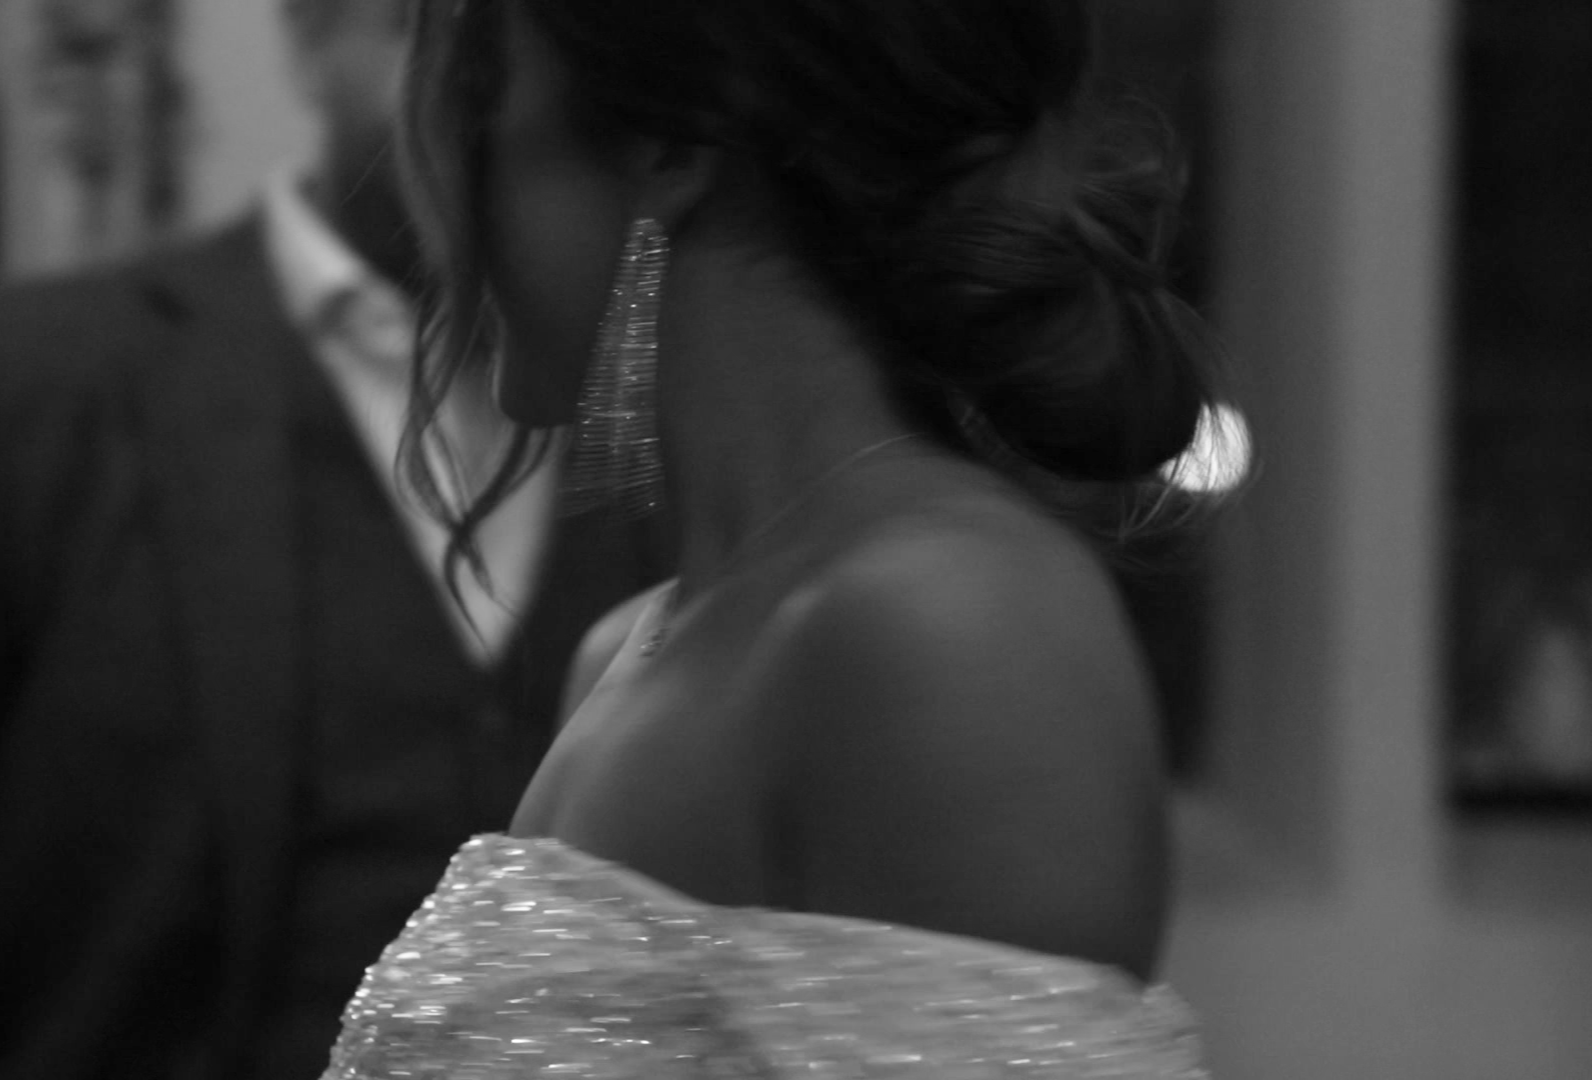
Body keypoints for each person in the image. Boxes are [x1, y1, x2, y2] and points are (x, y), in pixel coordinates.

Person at [321, 0, 1222, 1075]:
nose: (443, 212)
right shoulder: (629, 649)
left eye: (482, 107)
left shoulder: (948, 626)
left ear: (668, 151)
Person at [0, 2, 666, 1078]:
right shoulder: (44, 385)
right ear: (307, 42)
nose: (476, 97)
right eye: (421, 27)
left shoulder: (667, 387)